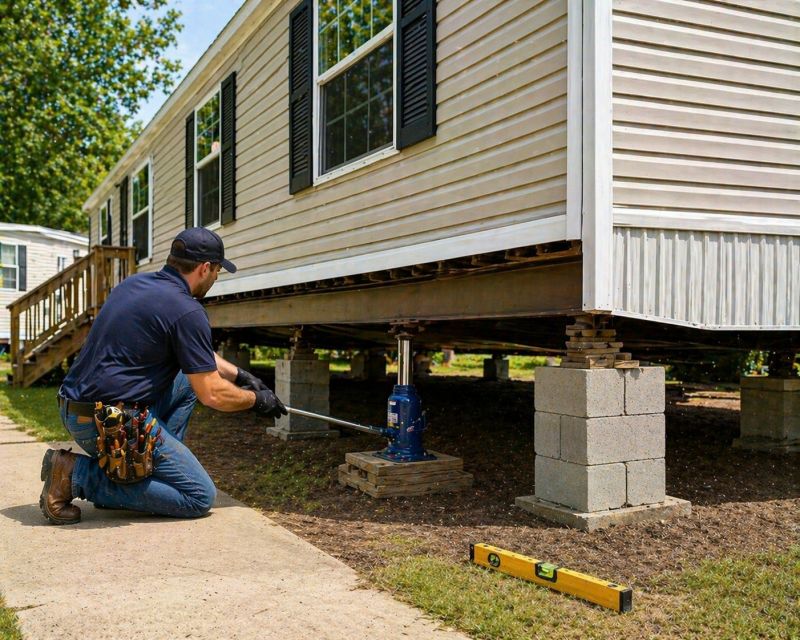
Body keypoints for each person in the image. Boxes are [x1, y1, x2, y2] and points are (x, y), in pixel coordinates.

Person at [40, 228, 287, 525]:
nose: (217, 277)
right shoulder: (187, 310)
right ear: (204, 268)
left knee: (186, 383)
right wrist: (256, 400)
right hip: (106, 421)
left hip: (76, 406)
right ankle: (75, 475)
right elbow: (212, 393)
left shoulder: (135, 285)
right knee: (198, 496)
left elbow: (199, 358)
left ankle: (139, 470)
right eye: (218, 269)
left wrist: (240, 374)